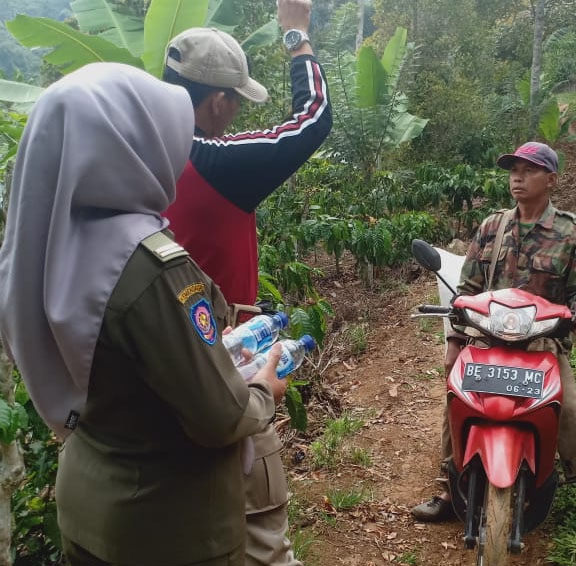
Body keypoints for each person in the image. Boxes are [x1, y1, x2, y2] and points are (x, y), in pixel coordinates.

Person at [0, 63, 288, 565]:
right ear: (132, 144)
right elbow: (219, 414)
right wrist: (265, 389)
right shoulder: (151, 266)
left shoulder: (45, 247)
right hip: (165, 525)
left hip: (87, 501)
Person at [161, 2, 331, 564]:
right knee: (257, 523)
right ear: (216, 100)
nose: (234, 115)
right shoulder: (212, 160)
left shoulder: (132, 155)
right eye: (234, 103)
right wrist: (297, 33)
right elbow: (313, 119)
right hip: (223, 363)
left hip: (150, 368)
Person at [411, 141, 576, 533]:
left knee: (567, 411)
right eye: (514, 169)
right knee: (457, 402)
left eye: (529, 169)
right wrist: (454, 343)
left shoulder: (570, 231)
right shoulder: (492, 226)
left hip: (542, 343)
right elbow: (465, 291)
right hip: (487, 339)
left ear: (550, 179)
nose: (518, 176)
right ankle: (450, 492)